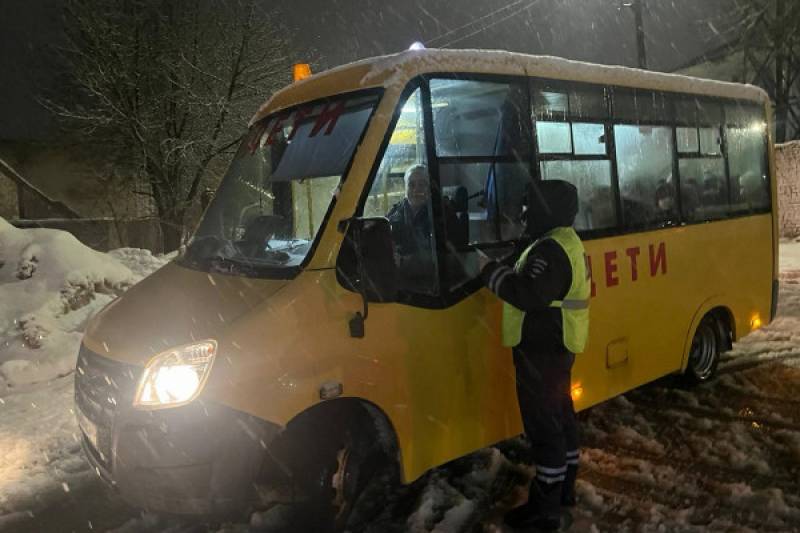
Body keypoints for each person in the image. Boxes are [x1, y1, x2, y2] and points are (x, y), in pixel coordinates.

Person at [478, 180, 590, 531]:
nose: (525, 213)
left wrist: (488, 271)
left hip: (542, 352)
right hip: (555, 348)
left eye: (530, 206)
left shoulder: (550, 250)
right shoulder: (561, 240)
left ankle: (545, 511)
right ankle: (564, 490)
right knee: (561, 419)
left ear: (546, 208)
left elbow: (527, 294)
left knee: (546, 429)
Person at [387, 165, 437, 293]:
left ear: (430, 188)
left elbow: (444, 259)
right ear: (405, 188)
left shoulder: (441, 214)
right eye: (411, 185)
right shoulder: (395, 213)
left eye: (422, 184)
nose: (416, 190)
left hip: (430, 289)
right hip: (398, 287)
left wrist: (403, 262)